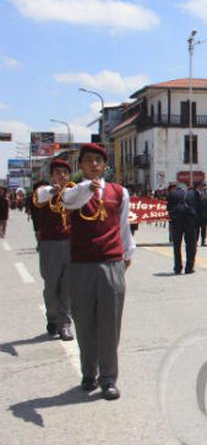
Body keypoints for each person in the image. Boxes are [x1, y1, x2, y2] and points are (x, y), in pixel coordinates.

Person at [60, 143, 135, 401]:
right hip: (82, 264)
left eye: (98, 161)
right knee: (84, 321)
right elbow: (69, 203)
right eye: (88, 161)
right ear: (80, 166)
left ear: (105, 166)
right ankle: (88, 372)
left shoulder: (118, 192)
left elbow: (124, 226)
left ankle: (108, 378)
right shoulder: (74, 192)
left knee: (110, 323)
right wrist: (85, 187)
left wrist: (127, 254)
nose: (94, 165)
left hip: (111, 262)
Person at [32, 159, 75, 340]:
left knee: (67, 287)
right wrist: (53, 190)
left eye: (65, 172)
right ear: (52, 175)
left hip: (71, 243)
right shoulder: (44, 192)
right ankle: (52, 317)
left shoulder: (73, 193)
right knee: (51, 286)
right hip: (50, 244)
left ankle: (64, 324)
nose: (62, 176)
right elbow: (40, 195)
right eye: (58, 172)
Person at [167, 183, 198, 274]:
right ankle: (189, 267)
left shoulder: (172, 194)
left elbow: (168, 208)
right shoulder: (192, 193)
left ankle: (178, 267)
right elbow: (197, 207)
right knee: (191, 245)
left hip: (177, 222)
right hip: (189, 221)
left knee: (177, 246)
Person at [196, 183, 207, 247]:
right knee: (197, 229)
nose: (203, 188)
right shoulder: (196, 194)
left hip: (205, 214)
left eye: (204, 187)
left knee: (204, 229)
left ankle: (203, 241)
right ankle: (195, 241)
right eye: (202, 186)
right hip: (197, 214)